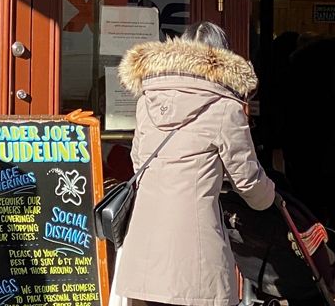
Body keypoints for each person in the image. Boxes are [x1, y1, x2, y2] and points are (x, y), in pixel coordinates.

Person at [111, 21, 277, 306]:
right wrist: (272, 195)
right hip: (196, 261)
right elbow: (248, 181)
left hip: (143, 257)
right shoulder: (225, 107)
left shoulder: (148, 99)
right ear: (221, 57)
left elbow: (139, 163)